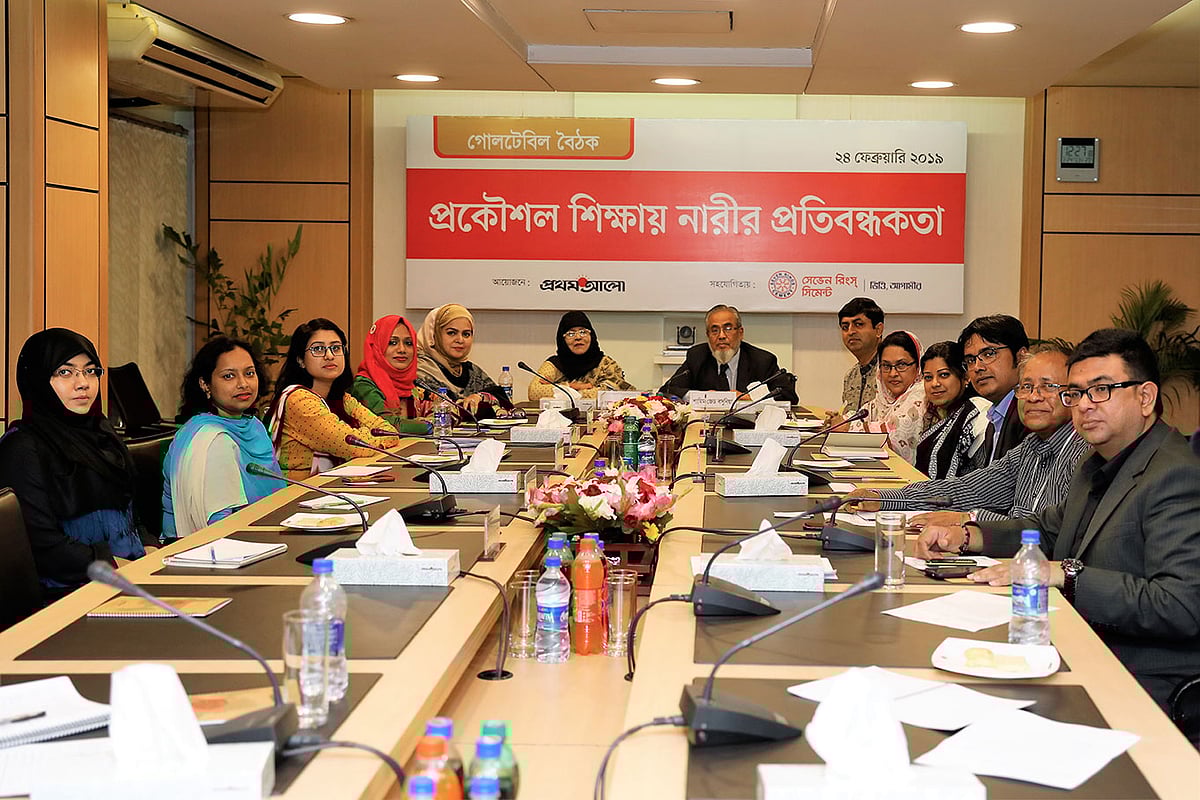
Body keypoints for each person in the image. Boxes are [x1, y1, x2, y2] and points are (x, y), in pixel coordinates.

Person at [926, 329, 1200, 711]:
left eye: (1101, 389)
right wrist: (966, 536)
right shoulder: (1098, 463)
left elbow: (1181, 606)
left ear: (1145, 397)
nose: (1084, 405)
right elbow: (1047, 530)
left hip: (1139, 678)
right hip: (1074, 642)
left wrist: (1066, 574)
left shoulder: (1176, 474)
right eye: (1076, 393)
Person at [853, 342, 1089, 525]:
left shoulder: (1082, 454)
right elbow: (966, 490)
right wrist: (883, 498)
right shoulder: (1030, 447)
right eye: (1026, 387)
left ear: (1075, 394)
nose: (1034, 396)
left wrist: (970, 519)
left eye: (1048, 387)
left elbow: (1048, 534)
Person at [0, 328, 156, 597]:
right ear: (37, 380)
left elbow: (132, 512)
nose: (83, 383)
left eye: (90, 371)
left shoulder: (103, 433)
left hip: (130, 574)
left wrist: (150, 547)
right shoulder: (22, 448)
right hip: (71, 593)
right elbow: (43, 545)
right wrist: (114, 564)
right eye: (65, 372)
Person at [161, 337, 285, 540]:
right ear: (205, 384)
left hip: (263, 536)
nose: (243, 383)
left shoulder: (253, 425)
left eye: (249, 373)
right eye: (229, 376)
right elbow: (219, 527)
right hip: (211, 550)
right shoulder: (209, 439)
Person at [266, 318, 399, 480]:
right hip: (296, 495)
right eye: (318, 349)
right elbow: (354, 446)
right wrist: (366, 435)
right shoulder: (299, 400)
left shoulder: (342, 399)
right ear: (300, 360)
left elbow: (389, 431)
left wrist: (362, 436)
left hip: (330, 490)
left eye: (336, 348)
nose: (329, 356)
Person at [659, 304, 797, 402]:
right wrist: (700, 397)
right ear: (708, 335)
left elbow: (788, 395)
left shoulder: (762, 360)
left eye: (728, 328)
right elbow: (668, 389)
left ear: (740, 333)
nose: (721, 336)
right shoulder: (698, 356)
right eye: (714, 330)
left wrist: (751, 398)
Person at [914, 341, 991, 480]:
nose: (935, 384)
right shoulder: (940, 414)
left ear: (965, 377)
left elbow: (986, 474)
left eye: (944, 375)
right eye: (928, 377)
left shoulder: (979, 413)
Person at [959, 314, 1030, 464]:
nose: (977, 367)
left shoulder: (1030, 414)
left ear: (1021, 357)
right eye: (971, 360)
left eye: (989, 354)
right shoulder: (995, 416)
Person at [849, 331, 926, 463]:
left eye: (901, 365)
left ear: (917, 365)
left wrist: (848, 428)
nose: (893, 373)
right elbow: (863, 415)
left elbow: (896, 433)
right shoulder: (883, 399)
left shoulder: (921, 395)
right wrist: (842, 421)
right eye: (886, 366)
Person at [351, 314, 434, 432]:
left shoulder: (410, 384)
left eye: (408, 343)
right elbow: (388, 425)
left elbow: (441, 409)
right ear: (377, 347)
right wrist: (430, 426)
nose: (402, 349)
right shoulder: (363, 386)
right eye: (392, 342)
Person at [527, 311, 635, 402]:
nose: (578, 337)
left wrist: (558, 387)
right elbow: (534, 392)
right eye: (570, 334)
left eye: (583, 332)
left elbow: (610, 394)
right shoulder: (554, 364)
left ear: (591, 336)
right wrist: (577, 387)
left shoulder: (605, 364)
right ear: (562, 340)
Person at [416, 303, 500, 418]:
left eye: (466, 334)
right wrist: (486, 401)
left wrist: (480, 396)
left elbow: (503, 400)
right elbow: (453, 409)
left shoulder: (470, 369)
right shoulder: (420, 370)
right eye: (451, 333)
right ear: (433, 335)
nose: (460, 340)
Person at [837, 297, 885, 415]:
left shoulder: (891, 371)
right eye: (845, 327)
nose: (850, 331)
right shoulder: (851, 376)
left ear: (878, 330)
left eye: (858, 324)